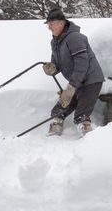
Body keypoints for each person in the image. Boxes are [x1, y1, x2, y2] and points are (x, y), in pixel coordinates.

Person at [42, 8, 104, 136]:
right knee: (59, 109)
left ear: (61, 22)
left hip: (90, 81)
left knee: (81, 114)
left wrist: (72, 86)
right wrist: (52, 69)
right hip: (76, 82)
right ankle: (56, 126)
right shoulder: (54, 42)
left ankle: (88, 135)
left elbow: (82, 63)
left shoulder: (75, 38)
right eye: (48, 24)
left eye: (51, 24)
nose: (49, 27)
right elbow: (56, 64)